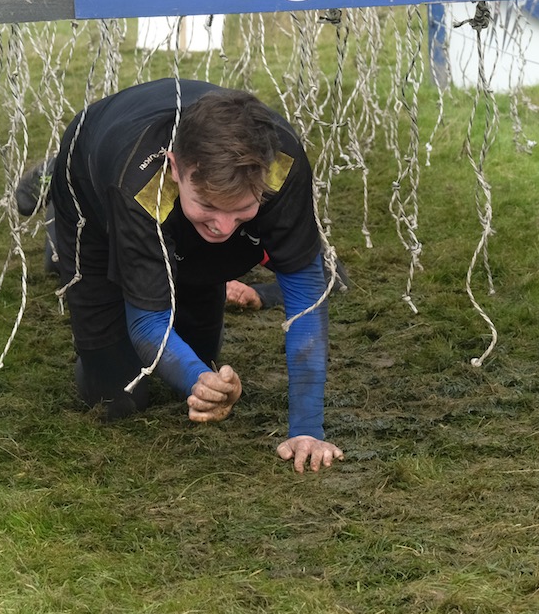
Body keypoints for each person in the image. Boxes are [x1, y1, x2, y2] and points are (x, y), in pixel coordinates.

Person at [18, 78, 344, 473]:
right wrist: (197, 380)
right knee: (116, 398)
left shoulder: (281, 164)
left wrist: (306, 429)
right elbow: (148, 323)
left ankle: (184, 238)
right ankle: (57, 198)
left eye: (240, 208)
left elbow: (306, 296)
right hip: (95, 184)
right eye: (209, 204)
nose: (224, 227)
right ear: (176, 167)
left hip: (174, 212)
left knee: (199, 356)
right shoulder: (137, 183)